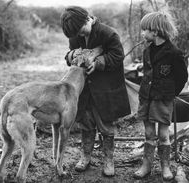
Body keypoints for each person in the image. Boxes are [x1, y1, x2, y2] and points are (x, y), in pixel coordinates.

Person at [60, 6, 131, 177]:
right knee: (86, 123)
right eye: (77, 34)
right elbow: (70, 57)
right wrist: (72, 55)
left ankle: (109, 159)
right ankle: (85, 156)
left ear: (87, 19)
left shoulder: (108, 34)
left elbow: (117, 56)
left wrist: (98, 63)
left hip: (106, 89)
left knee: (106, 126)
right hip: (85, 90)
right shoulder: (77, 34)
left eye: (81, 31)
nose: (81, 35)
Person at [133, 11, 188, 181]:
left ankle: (165, 166)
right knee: (149, 133)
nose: (143, 33)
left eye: (145, 30)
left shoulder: (174, 52)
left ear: (155, 31)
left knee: (163, 135)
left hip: (163, 99)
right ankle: (147, 165)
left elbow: (182, 77)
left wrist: (171, 94)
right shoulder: (147, 51)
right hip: (146, 97)